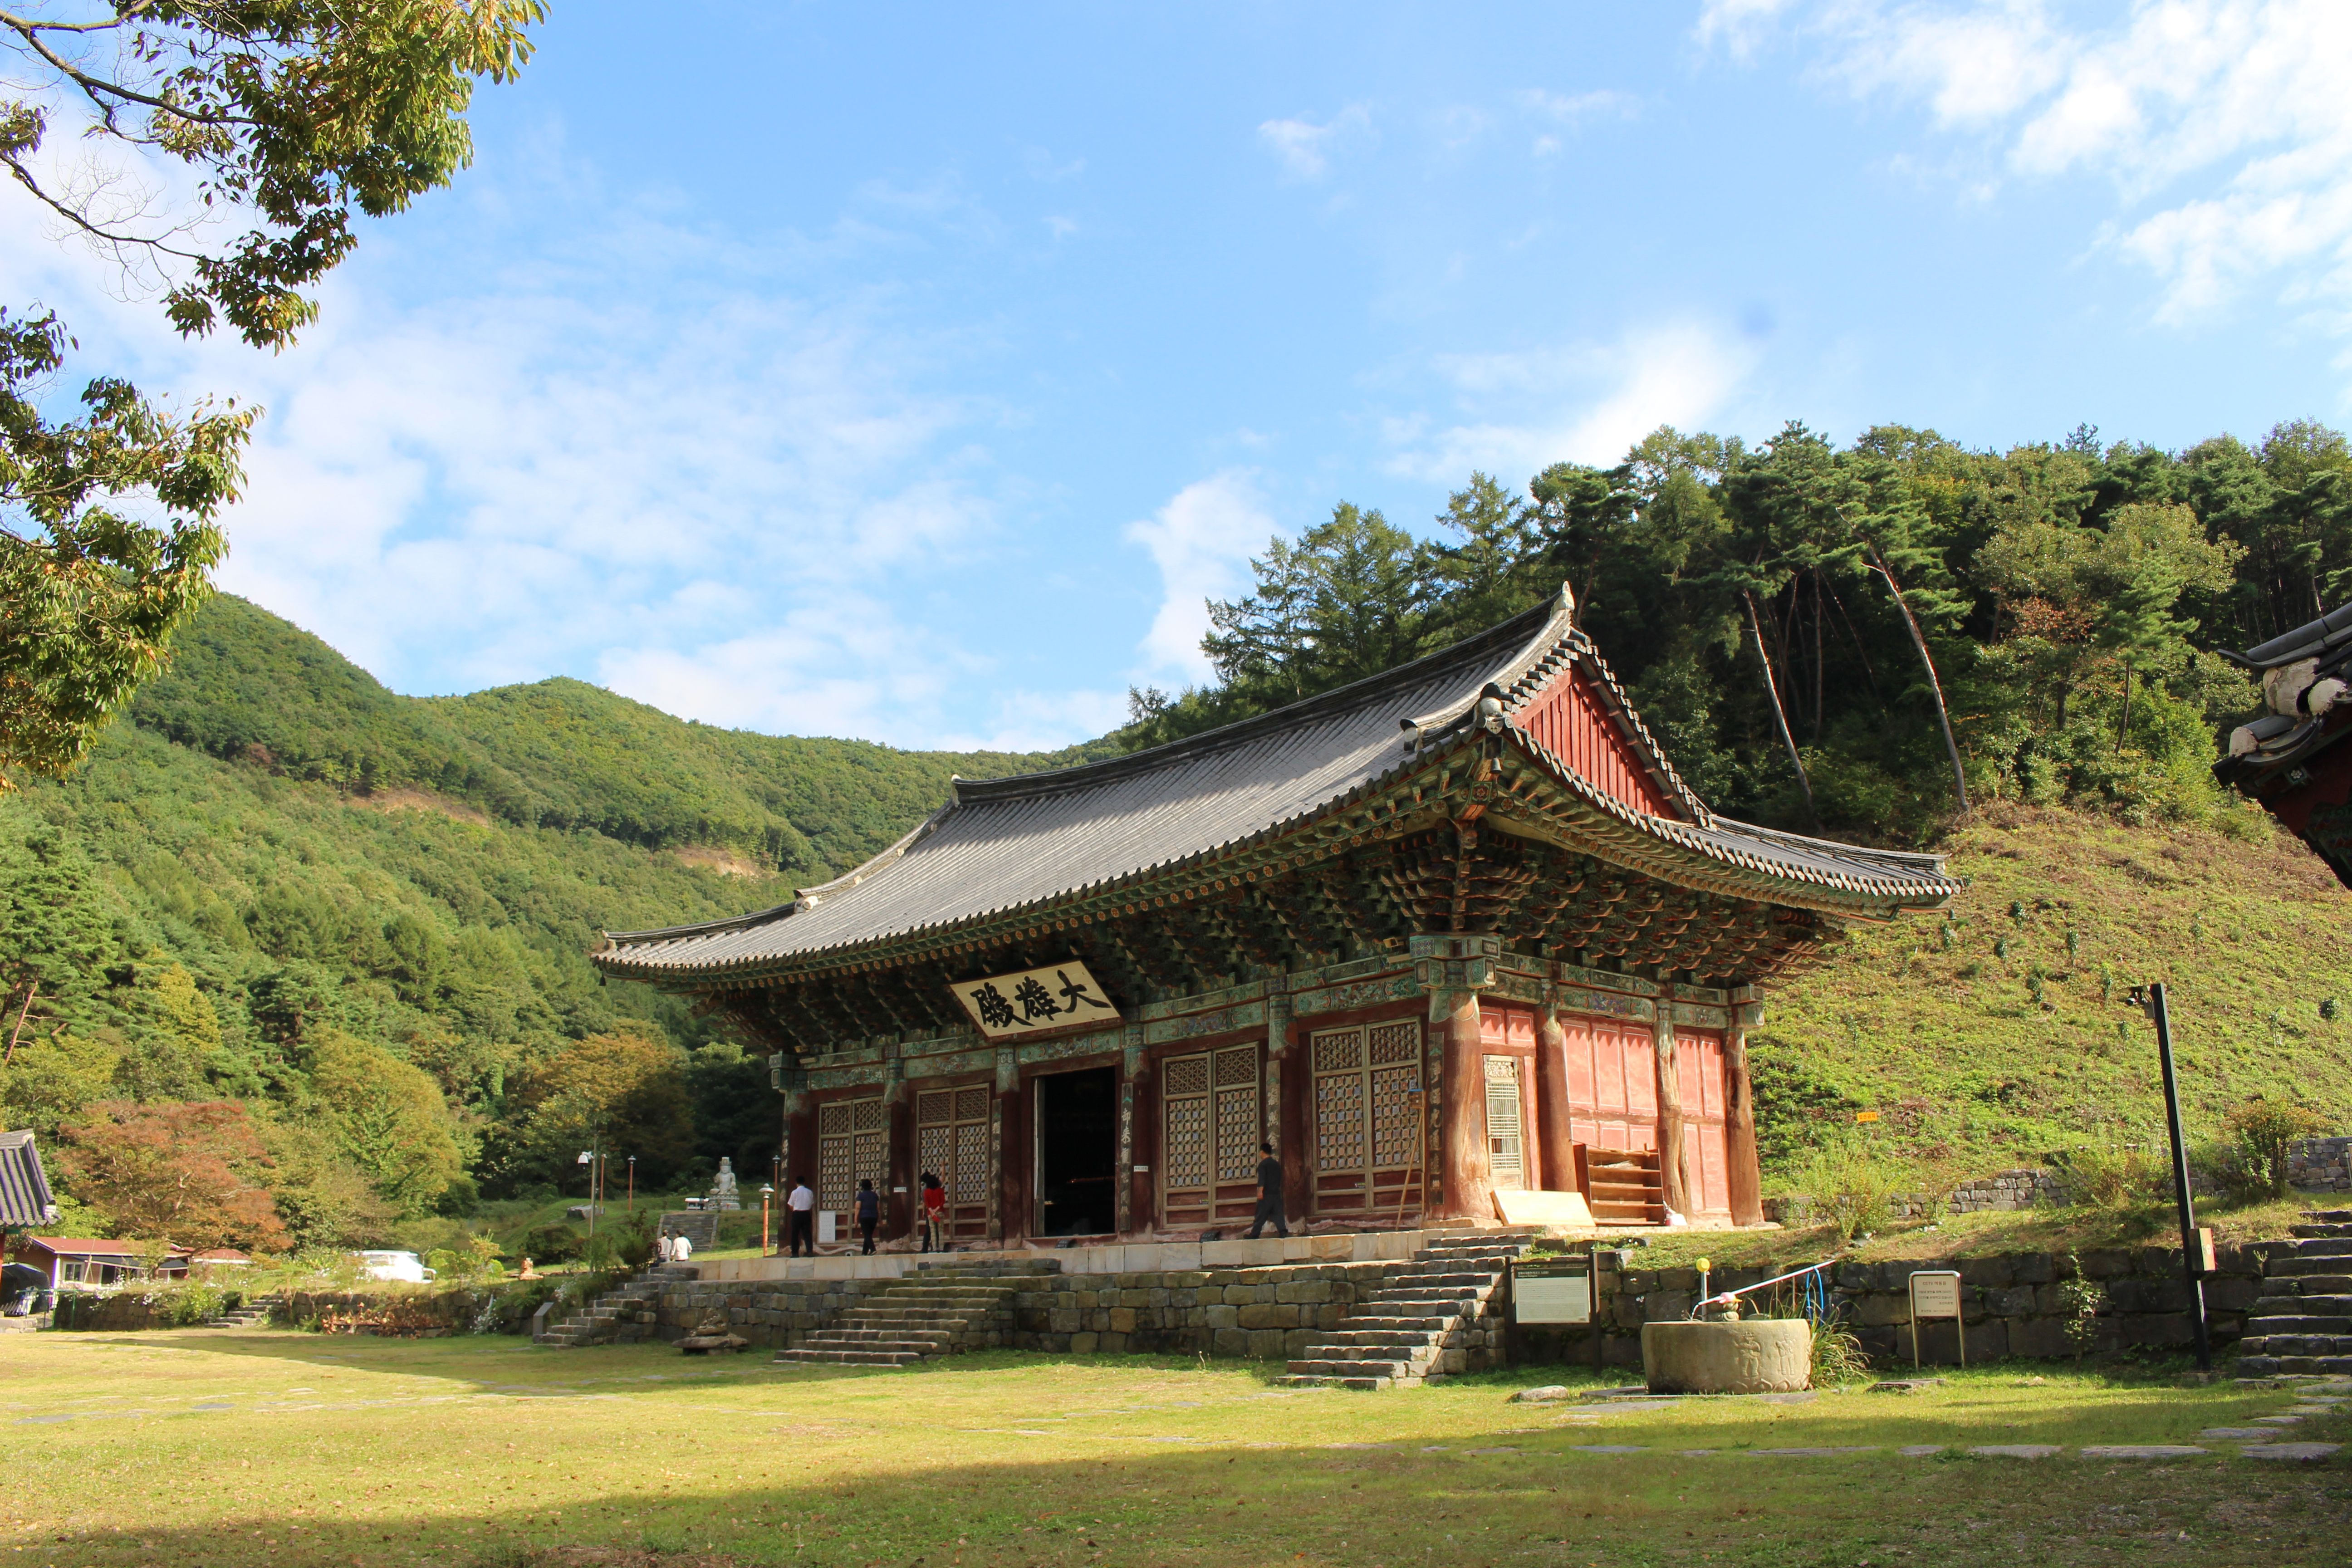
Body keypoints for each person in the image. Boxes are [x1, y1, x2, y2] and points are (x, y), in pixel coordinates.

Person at [1246, 1140, 1288, 1239]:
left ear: (1262, 1152)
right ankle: (1283, 1231)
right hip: (1276, 1194)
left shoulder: (1263, 1165)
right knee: (1278, 1214)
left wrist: (1260, 1192)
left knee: (1260, 1215)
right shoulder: (1276, 1165)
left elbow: (1262, 1179)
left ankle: (1255, 1234)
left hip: (1266, 1194)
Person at [919, 1171, 947, 1253]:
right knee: (941, 1231)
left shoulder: (925, 1191)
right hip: (940, 1212)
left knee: (932, 1231)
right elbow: (942, 1202)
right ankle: (941, 1248)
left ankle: (934, 1248)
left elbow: (926, 1203)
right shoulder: (940, 1189)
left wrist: (930, 1211)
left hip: (931, 1214)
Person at [787, 1179, 816, 1257]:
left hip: (797, 1213)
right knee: (807, 1233)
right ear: (804, 1183)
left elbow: (791, 1205)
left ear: (796, 1183)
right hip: (806, 1213)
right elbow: (812, 1203)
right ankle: (810, 1251)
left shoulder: (794, 1192)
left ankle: (795, 1253)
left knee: (795, 1234)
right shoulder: (809, 1192)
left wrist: (795, 1210)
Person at [853, 1178, 882, 1255]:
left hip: (864, 1217)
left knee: (867, 1235)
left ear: (862, 1187)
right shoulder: (875, 1196)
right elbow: (878, 1208)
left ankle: (873, 1249)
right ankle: (864, 1253)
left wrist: (856, 1219)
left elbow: (858, 1208)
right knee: (868, 1235)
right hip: (874, 1217)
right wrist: (880, 1219)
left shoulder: (861, 1196)